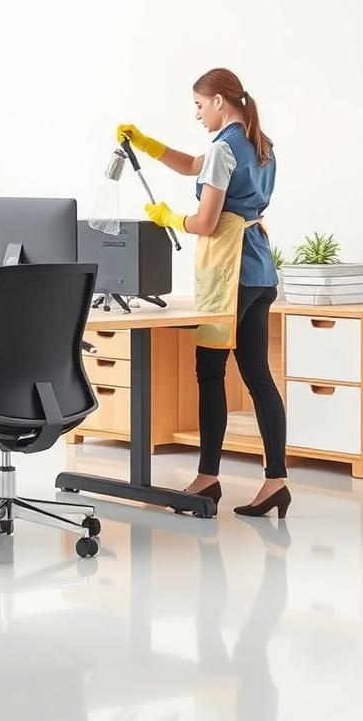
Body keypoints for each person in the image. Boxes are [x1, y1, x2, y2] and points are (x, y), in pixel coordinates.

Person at [116, 67, 290, 518]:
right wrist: (147, 144)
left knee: (210, 372)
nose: (195, 114)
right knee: (257, 376)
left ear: (217, 101)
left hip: (229, 271)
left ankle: (208, 478)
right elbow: (194, 165)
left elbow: (206, 222)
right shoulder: (258, 144)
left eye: (198, 104)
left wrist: (168, 217)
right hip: (259, 269)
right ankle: (276, 482)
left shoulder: (223, 148)